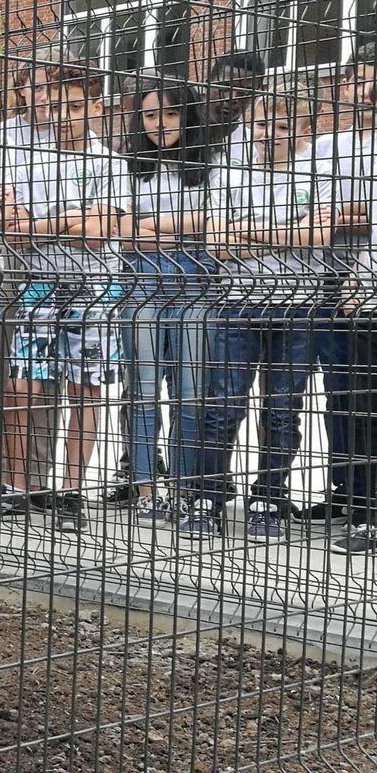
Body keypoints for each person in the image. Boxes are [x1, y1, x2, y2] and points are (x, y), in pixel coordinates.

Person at [180, 79, 336, 542]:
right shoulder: (228, 172)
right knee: (223, 405)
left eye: (282, 124)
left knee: (284, 407)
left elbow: (319, 238)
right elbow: (215, 245)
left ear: (304, 130)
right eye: (261, 122)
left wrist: (249, 233)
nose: (268, 132)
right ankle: (206, 496)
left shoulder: (318, 173)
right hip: (238, 302)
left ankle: (269, 495)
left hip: (299, 305)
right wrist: (286, 231)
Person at [0, 53, 132, 532]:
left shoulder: (110, 162)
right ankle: (15, 488)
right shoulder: (31, 157)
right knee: (20, 386)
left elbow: (98, 234)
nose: (63, 115)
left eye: (75, 106)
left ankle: (71, 490)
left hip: (95, 286)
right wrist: (71, 221)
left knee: (85, 389)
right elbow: (13, 233)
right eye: (56, 105)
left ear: (96, 106)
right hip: (38, 283)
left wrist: (44, 224)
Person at [121, 80, 219, 525]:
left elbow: (216, 222)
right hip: (142, 274)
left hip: (196, 275)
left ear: (188, 116)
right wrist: (173, 229)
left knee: (191, 391)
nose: (160, 124)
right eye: (149, 115)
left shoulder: (210, 164)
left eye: (171, 114)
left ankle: (180, 489)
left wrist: (151, 225)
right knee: (142, 391)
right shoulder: (130, 166)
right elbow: (116, 228)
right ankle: (145, 489)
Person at [300, 37, 377, 525]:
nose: (358, 86)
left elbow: (357, 216)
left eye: (368, 76)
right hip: (329, 282)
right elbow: (305, 210)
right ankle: (345, 489)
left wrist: (336, 218)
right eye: (354, 76)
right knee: (339, 395)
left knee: (369, 397)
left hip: (367, 280)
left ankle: (369, 501)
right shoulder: (325, 145)